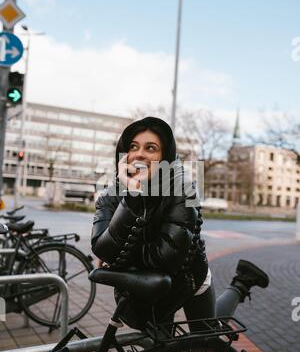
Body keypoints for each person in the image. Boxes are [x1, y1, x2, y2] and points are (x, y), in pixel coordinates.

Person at [91, 117, 269, 331]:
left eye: (151, 148)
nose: (139, 153)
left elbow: (166, 257)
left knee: (205, 337)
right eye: (133, 146)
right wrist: (133, 196)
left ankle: (240, 284)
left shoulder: (186, 189)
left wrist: (120, 258)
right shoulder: (110, 195)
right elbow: (101, 248)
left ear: (165, 157)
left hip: (188, 279)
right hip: (148, 288)